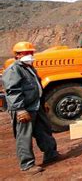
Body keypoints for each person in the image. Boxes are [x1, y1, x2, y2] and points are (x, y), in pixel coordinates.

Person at [2, 42, 60, 175]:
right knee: (24, 136)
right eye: (27, 53)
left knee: (44, 130)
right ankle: (27, 165)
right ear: (17, 55)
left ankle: (51, 154)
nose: (30, 55)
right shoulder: (13, 70)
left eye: (31, 53)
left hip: (36, 105)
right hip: (24, 108)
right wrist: (20, 110)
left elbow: (37, 86)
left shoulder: (29, 68)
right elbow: (13, 91)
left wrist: (42, 101)